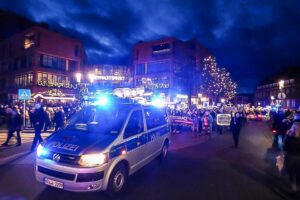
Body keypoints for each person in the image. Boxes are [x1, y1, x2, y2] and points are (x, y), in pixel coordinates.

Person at [283, 121, 300, 192]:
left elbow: (285, 148)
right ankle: (298, 185)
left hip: (290, 157)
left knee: (291, 173)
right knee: (299, 173)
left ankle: (294, 187)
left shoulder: (288, 136)